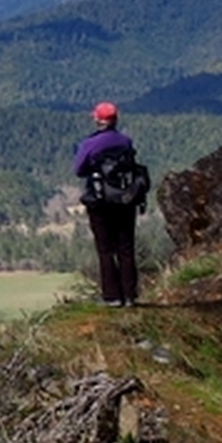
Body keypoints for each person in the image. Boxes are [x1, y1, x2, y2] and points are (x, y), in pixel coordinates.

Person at [74, 100, 142, 307]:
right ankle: (130, 295)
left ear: (97, 119)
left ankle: (112, 296)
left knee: (105, 249)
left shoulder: (89, 144)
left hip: (100, 202)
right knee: (126, 248)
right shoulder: (125, 141)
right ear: (115, 119)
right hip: (125, 200)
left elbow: (79, 170)